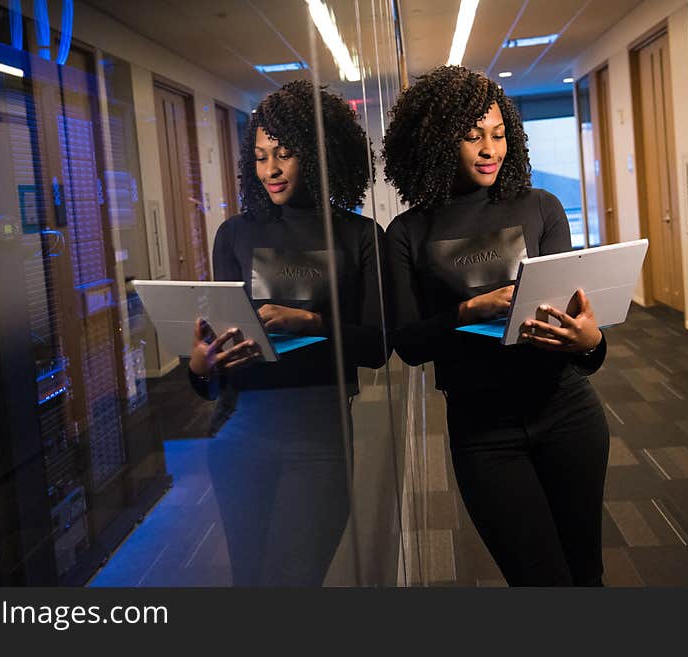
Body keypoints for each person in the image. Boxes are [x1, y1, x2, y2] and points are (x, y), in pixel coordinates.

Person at [383, 65, 609, 586]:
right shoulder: (408, 232)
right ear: (439, 143)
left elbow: (576, 325)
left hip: (568, 414)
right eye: (472, 136)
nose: (490, 149)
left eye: (499, 134)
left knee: (586, 575)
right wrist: (467, 312)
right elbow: (409, 344)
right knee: (538, 582)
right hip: (484, 434)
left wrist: (591, 342)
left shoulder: (541, 207)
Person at [187, 80, 387, 586]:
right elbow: (219, 355)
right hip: (239, 428)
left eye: (283, 154)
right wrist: (200, 366)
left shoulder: (360, 236)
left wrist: (312, 323)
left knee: (293, 580)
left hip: (318, 433)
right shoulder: (235, 234)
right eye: (259, 157)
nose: (270, 170)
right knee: (250, 584)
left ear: (320, 154)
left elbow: (379, 346)